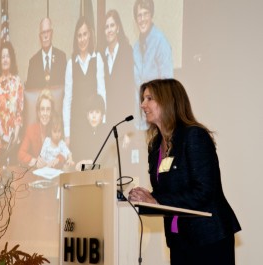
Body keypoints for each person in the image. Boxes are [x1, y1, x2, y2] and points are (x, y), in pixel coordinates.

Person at [129, 79, 241, 265]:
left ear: (167, 101)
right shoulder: (156, 145)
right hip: (179, 240)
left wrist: (157, 200)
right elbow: (168, 192)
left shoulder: (194, 136)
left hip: (208, 238)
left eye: (149, 98)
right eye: (143, 99)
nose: (142, 105)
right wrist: (145, 197)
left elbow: (204, 191)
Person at [63, 16, 106, 147]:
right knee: (79, 165)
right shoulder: (71, 64)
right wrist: (67, 133)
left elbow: (102, 93)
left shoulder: (97, 59)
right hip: (77, 127)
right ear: (76, 39)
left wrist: (103, 123)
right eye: (79, 35)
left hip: (94, 126)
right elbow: (67, 100)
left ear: (90, 36)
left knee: (95, 165)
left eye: (85, 34)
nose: (82, 39)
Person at [133, 0, 173, 130]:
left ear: (151, 15)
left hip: (158, 121)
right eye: (139, 15)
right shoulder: (135, 48)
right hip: (140, 122)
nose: (142, 19)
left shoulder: (161, 42)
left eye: (146, 14)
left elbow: (167, 86)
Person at [0, 41, 24, 165]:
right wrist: (3, 135)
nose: (5, 59)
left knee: (14, 180)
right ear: (0, 60)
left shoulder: (17, 82)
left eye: (8, 56)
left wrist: (15, 137)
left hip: (15, 140)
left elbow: (20, 111)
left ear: (12, 59)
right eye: (3, 56)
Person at [103, 9, 135, 124]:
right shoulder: (101, 56)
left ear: (118, 28)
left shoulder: (127, 51)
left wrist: (128, 127)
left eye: (112, 25)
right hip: (107, 119)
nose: (109, 30)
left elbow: (130, 90)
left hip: (123, 118)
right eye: (106, 27)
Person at [26, 17, 66, 90]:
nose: (46, 36)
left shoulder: (61, 57)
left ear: (52, 33)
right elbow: (29, 91)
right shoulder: (33, 62)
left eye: (48, 31)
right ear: (39, 36)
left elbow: (66, 87)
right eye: (43, 32)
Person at [18, 89, 54, 168]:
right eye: (42, 109)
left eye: (48, 109)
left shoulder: (56, 129)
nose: (45, 113)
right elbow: (21, 154)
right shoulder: (31, 129)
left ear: (51, 112)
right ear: (38, 112)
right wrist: (35, 161)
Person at [70, 94, 108, 168]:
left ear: (102, 116)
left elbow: (105, 159)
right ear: (87, 116)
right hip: (86, 173)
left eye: (97, 112)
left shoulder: (106, 132)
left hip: (102, 172)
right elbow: (78, 158)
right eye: (91, 112)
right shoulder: (82, 134)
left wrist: (89, 163)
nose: (94, 116)